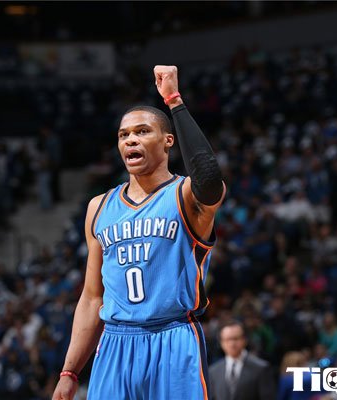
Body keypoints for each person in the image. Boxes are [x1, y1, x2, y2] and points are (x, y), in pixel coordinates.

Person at [52, 65, 225, 400]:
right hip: (115, 343)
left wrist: (174, 101)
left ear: (168, 141)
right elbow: (92, 297)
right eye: (123, 135)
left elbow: (208, 176)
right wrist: (70, 371)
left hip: (173, 337)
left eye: (143, 131)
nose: (130, 139)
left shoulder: (185, 195)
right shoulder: (99, 207)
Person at [209, 321, 276, 400]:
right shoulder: (213, 371)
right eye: (227, 339)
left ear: (245, 340)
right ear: (221, 343)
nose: (232, 344)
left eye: (236, 339)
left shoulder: (261, 368)